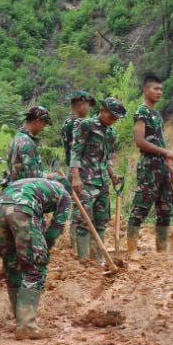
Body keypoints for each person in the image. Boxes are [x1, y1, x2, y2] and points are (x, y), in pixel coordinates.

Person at [0, 175, 73, 339]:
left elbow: (38, 222)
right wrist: (43, 250)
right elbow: (56, 227)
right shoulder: (64, 194)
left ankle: (19, 319)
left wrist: (11, 259)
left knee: (11, 265)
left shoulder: (37, 186)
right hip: (23, 208)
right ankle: (27, 326)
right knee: (35, 269)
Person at [126, 74, 173, 254]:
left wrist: (169, 166)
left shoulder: (157, 115)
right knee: (141, 207)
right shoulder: (141, 112)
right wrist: (166, 152)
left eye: (161, 89)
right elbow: (140, 141)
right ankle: (131, 250)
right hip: (149, 168)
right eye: (155, 89)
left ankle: (162, 249)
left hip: (163, 168)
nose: (159, 92)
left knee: (165, 208)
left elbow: (159, 142)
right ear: (145, 90)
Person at [67, 97, 126, 261]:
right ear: (102, 110)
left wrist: (113, 174)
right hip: (85, 181)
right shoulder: (85, 125)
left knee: (101, 220)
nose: (113, 120)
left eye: (116, 118)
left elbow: (107, 158)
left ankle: (98, 259)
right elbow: (75, 152)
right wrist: (76, 177)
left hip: (103, 182)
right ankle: (84, 260)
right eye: (111, 116)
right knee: (83, 220)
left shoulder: (111, 133)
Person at [3, 106, 52, 185]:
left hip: (15, 187)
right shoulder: (26, 142)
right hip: (24, 191)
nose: (43, 128)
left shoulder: (17, 138)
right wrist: (50, 176)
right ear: (37, 122)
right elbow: (32, 175)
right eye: (44, 124)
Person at [61, 91, 97, 168]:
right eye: (88, 106)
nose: (88, 109)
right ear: (81, 105)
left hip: (71, 166)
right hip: (80, 169)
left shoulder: (67, 121)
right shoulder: (79, 123)